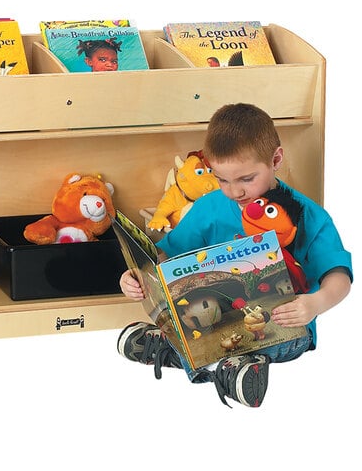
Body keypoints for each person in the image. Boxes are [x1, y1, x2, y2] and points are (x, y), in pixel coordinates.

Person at [117, 103, 352, 408]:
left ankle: (210, 361)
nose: (234, 192)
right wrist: (138, 276)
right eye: (222, 179)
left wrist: (315, 304)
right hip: (215, 320)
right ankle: (228, 368)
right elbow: (165, 256)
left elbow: (339, 275)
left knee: (245, 342)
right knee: (205, 335)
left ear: (276, 159)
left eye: (246, 179)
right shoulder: (210, 207)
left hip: (286, 325)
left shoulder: (308, 214)